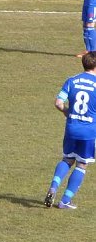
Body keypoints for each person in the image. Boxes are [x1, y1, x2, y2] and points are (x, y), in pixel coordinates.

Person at [44, 51, 96, 210]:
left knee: (67, 159)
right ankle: (65, 200)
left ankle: (53, 187)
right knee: (81, 164)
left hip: (71, 128)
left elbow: (58, 103)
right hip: (88, 132)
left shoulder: (71, 81)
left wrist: (68, 112)